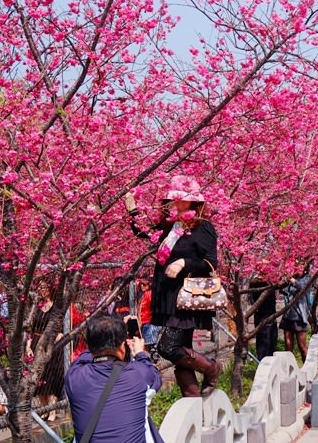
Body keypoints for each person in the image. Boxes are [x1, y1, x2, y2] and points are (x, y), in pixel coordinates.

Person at [125, 175, 220, 397]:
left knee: (168, 347)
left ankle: (212, 368)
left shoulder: (203, 227)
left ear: (194, 202)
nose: (177, 203)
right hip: (167, 297)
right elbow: (146, 232)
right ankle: (193, 401)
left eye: (182, 199)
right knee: (181, 355)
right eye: (174, 199)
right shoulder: (171, 226)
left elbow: (210, 262)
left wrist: (184, 262)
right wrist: (132, 210)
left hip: (186, 298)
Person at [65, 316, 164, 443]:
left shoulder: (73, 377)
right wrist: (140, 352)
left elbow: (83, 357)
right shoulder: (139, 374)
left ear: (90, 345)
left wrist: (105, 336)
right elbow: (154, 374)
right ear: (123, 346)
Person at [26, 279, 64, 421]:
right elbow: (31, 329)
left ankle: (52, 410)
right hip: (37, 342)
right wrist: (28, 346)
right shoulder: (36, 307)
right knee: (39, 378)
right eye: (39, 287)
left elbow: (61, 329)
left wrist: (56, 338)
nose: (42, 290)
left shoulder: (57, 307)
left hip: (51, 344)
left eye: (44, 287)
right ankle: (44, 409)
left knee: (51, 377)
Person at [279, 265, 312, 362]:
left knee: (302, 346)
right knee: (288, 347)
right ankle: (289, 371)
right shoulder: (293, 278)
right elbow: (280, 287)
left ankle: (306, 369)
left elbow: (301, 287)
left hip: (300, 317)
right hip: (288, 315)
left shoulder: (307, 278)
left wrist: (291, 279)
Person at [249, 278, 277, 360]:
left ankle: (271, 366)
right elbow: (251, 297)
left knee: (272, 343)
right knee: (263, 344)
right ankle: (262, 366)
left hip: (271, 316)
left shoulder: (271, 281)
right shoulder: (255, 282)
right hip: (261, 317)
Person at [136, 279, 161, 356]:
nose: (142, 286)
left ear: (149, 285)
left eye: (144, 284)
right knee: (148, 345)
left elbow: (155, 308)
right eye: (141, 284)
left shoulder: (150, 294)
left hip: (150, 322)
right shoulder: (145, 294)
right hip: (146, 322)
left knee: (150, 345)